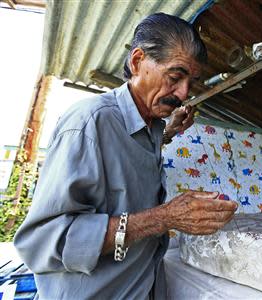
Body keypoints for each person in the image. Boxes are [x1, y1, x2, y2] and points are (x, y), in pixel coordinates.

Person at [14, 13, 238, 299]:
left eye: (190, 82)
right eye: (174, 77)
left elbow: (130, 156)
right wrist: (164, 217)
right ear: (137, 62)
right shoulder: (88, 123)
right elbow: (41, 242)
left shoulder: (152, 128)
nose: (183, 93)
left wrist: (168, 133)